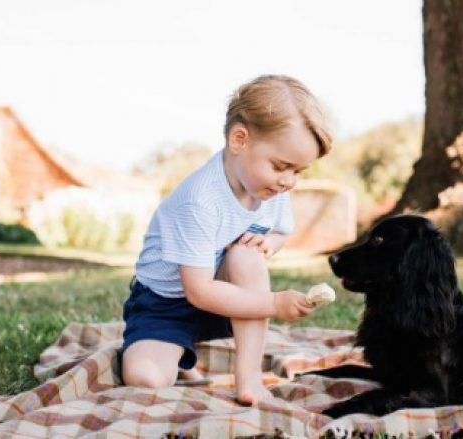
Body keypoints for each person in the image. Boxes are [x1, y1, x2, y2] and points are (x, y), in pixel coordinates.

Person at [120, 74, 333, 405]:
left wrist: (268, 245)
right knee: (146, 379)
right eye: (282, 166)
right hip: (166, 304)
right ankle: (174, 352)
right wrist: (275, 303)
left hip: (225, 295)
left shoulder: (270, 187)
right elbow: (199, 291)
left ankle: (248, 378)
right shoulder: (199, 200)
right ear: (239, 140)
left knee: (246, 257)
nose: (289, 181)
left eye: (298, 171)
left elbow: (278, 231)